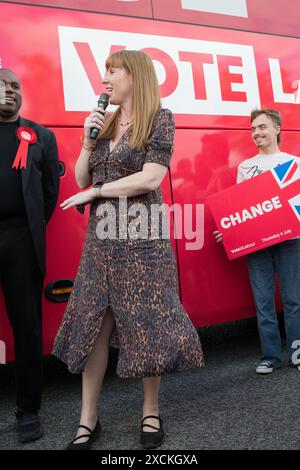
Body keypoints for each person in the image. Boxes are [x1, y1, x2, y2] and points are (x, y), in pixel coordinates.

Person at [53, 50, 204, 450]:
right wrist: (87, 140)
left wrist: (100, 191)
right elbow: (82, 177)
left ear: (134, 76)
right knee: (94, 324)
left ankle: (150, 409)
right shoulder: (104, 123)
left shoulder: (160, 119)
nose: (105, 80)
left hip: (143, 236)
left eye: (112, 72)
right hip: (102, 239)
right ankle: (89, 418)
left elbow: (151, 177)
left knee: (146, 321)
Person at [214, 109, 300, 375]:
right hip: (257, 244)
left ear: (277, 129)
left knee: (293, 300)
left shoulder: (294, 162)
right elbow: (244, 207)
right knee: (263, 302)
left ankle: (297, 352)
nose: (256, 133)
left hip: (291, 241)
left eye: (262, 127)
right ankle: (271, 356)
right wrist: (230, 230)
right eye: (253, 129)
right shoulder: (245, 167)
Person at [0, 68, 60, 442]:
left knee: (27, 327)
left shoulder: (41, 136)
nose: (10, 91)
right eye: (2, 85)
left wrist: (30, 227)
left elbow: (49, 192)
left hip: (21, 240)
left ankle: (28, 411)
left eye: (15, 86)